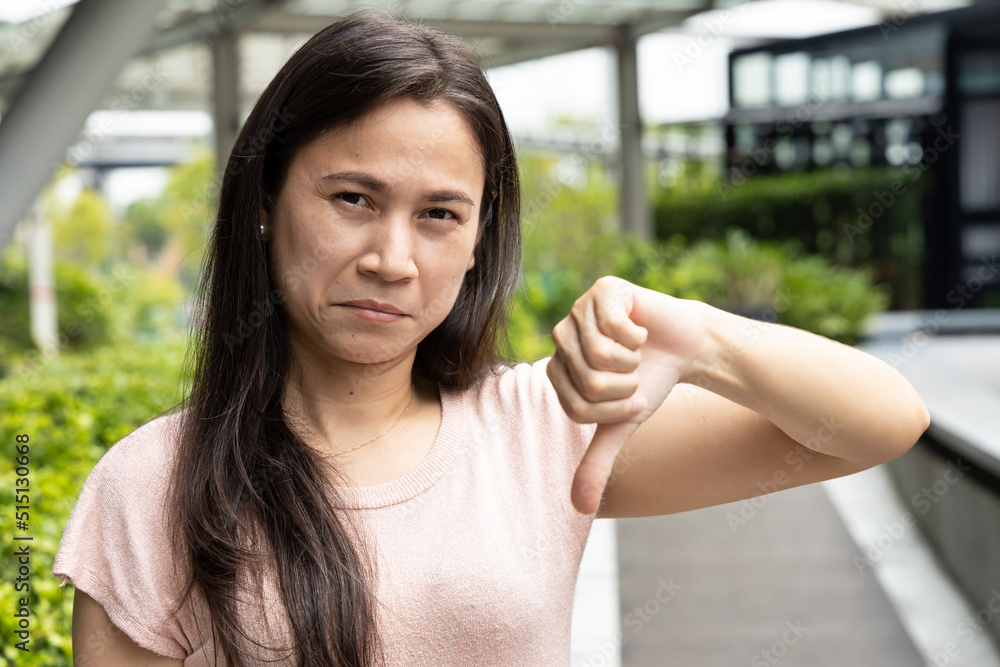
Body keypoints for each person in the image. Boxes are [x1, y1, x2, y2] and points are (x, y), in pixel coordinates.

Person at [52, 8, 930, 667]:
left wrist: (702, 338)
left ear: (477, 244)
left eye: (440, 214)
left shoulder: (538, 427)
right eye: (353, 198)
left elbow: (882, 421)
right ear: (264, 202)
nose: (392, 258)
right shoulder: (152, 481)